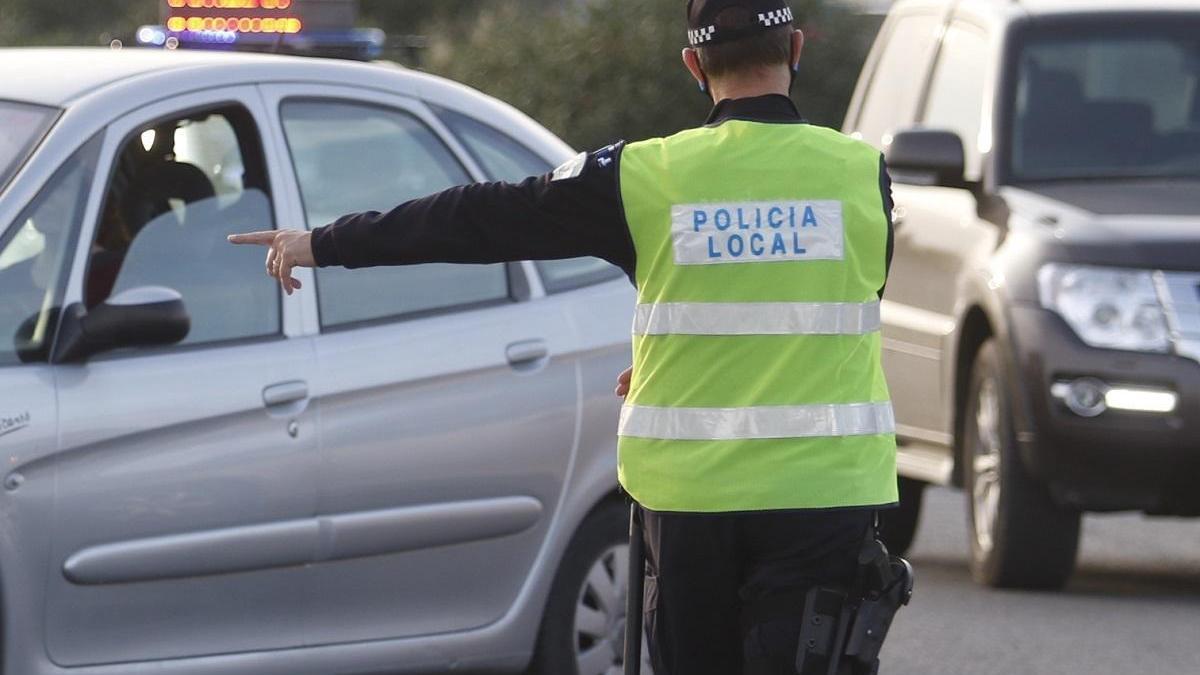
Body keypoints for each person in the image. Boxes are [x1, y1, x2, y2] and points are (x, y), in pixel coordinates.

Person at [230, 1, 898, 672]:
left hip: (692, 496)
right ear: (798, 49)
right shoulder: (862, 174)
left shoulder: (644, 176)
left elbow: (482, 217)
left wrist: (322, 242)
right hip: (825, 493)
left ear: (694, 65)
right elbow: (837, 306)